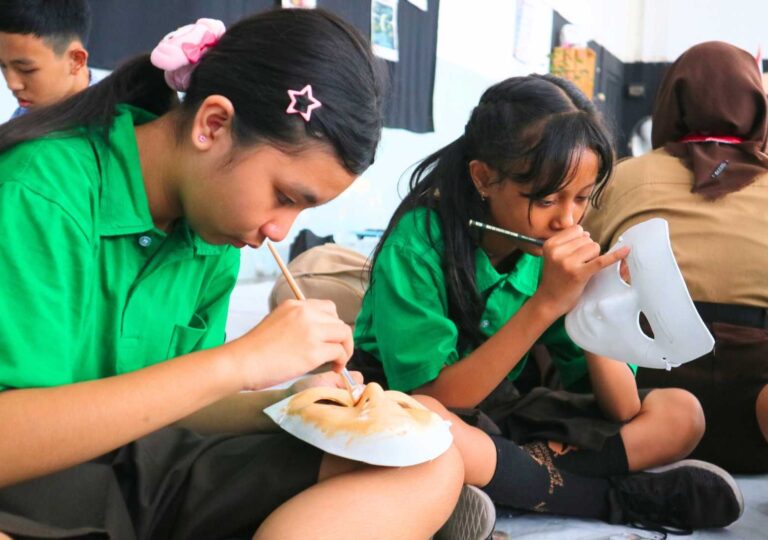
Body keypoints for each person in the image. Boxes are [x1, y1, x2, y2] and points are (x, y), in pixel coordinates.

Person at [0, 10, 478, 540]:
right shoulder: (42, 192)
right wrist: (238, 362)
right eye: (284, 196)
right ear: (213, 124)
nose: (279, 230)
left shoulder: (210, 229)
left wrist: (293, 402)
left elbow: (172, 402)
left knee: (427, 464)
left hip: (138, 475)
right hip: (31, 495)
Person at [350, 73, 744, 532]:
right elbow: (436, 399)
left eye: (580, 198)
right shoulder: (418, 243)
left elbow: (622, 409)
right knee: (432, 429)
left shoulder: (545, 250)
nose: (567, 219)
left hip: (501, 415)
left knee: (681, 415)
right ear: (483, 177)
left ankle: (509, 478)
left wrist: (599, 305)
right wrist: (545, 305)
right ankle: (604, 498)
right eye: (547, 198)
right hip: (416, 405)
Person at [583, 41, 768, 474]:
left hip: (644, 407)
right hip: (757, 411)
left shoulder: (621, 179)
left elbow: (577, 273)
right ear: (758, 106)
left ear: (669, 102)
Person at [0, 0, 92, 119]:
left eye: (26, 70)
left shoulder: (113, 128)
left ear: (76, 60)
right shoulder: (24, 115)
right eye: (2, 65)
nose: (12, 84)